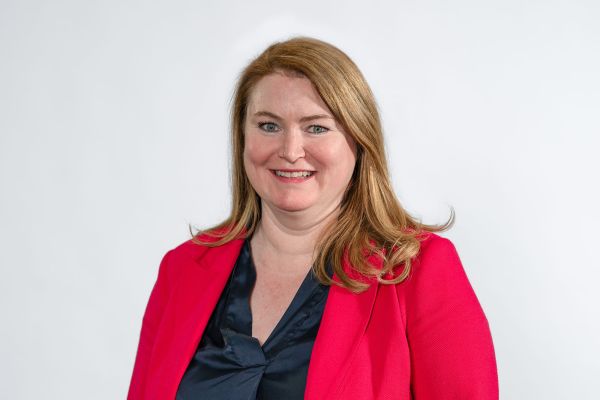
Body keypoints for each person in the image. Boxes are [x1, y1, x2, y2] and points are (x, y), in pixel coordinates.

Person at [127, 37, 498, 400]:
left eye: (316, 127)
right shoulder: (183, 269)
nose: (290, 150)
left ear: (358, 140)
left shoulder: (417, 270)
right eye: (268, 126)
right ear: (242, 137)